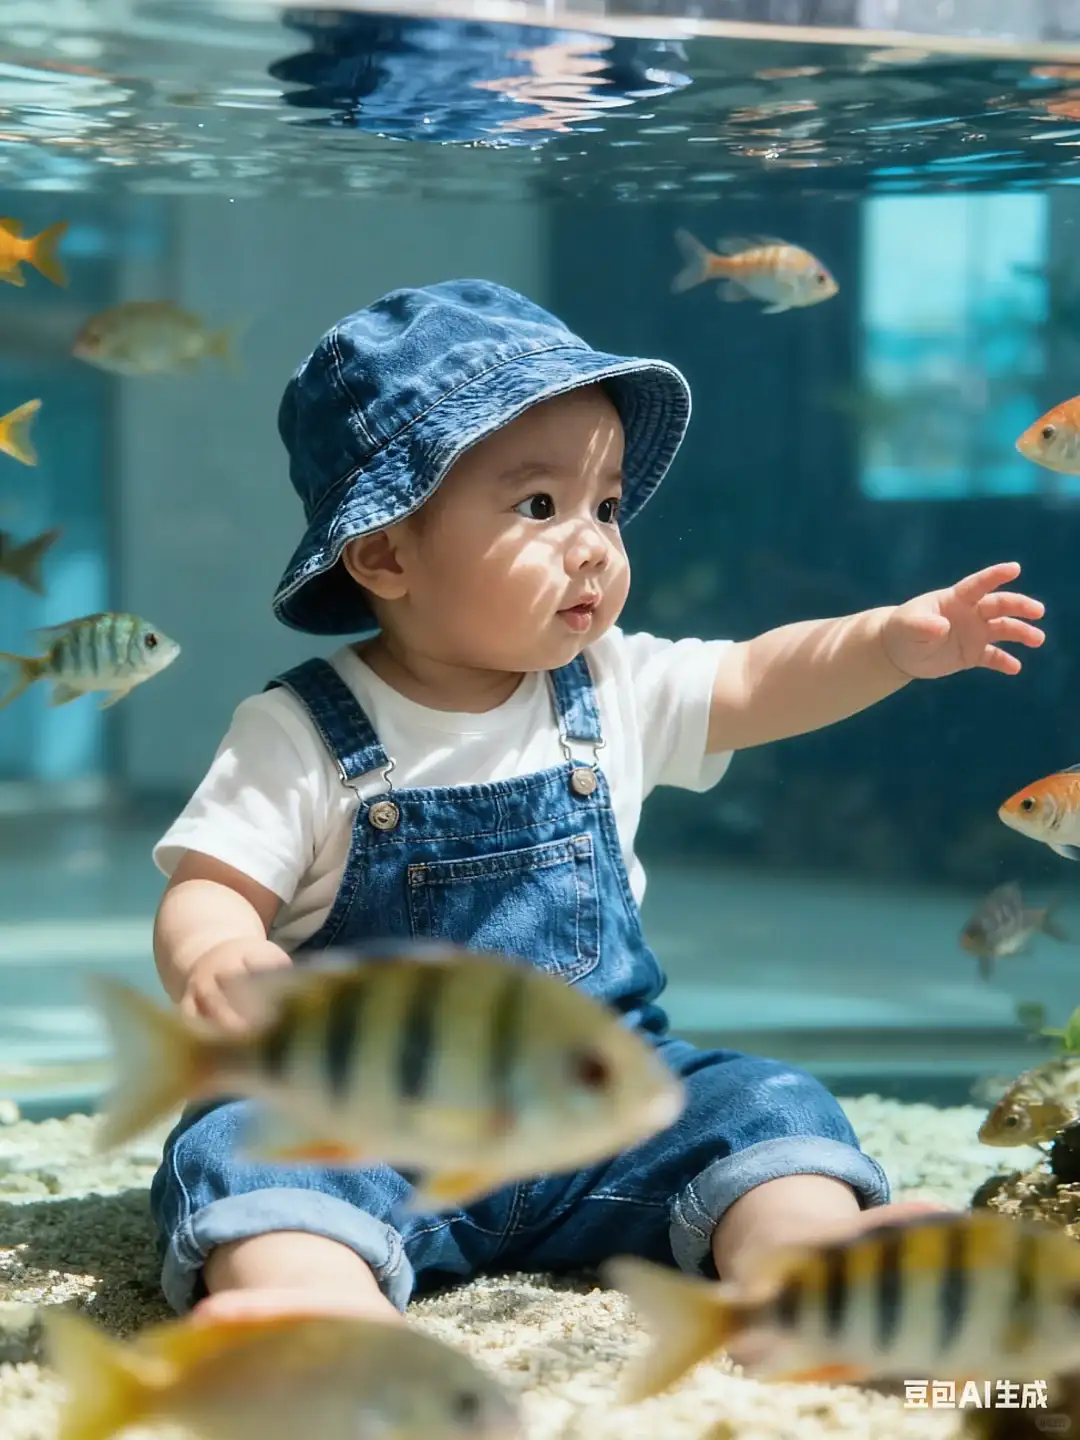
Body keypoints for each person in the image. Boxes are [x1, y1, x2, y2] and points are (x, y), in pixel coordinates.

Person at [148, 278, 1044, 1327]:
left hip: (599, 1103)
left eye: (606, 507)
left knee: (765, 1106)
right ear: (385, 552)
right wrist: (218, 955)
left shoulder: (614, 684)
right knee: (244, 1148)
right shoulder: (300, 730)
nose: (593, 544)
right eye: (540, 507)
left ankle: (810, 1265)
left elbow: (758, 678)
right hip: (365, 1117)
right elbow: (211, 884)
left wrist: (886, 643)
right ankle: (312, 1307)